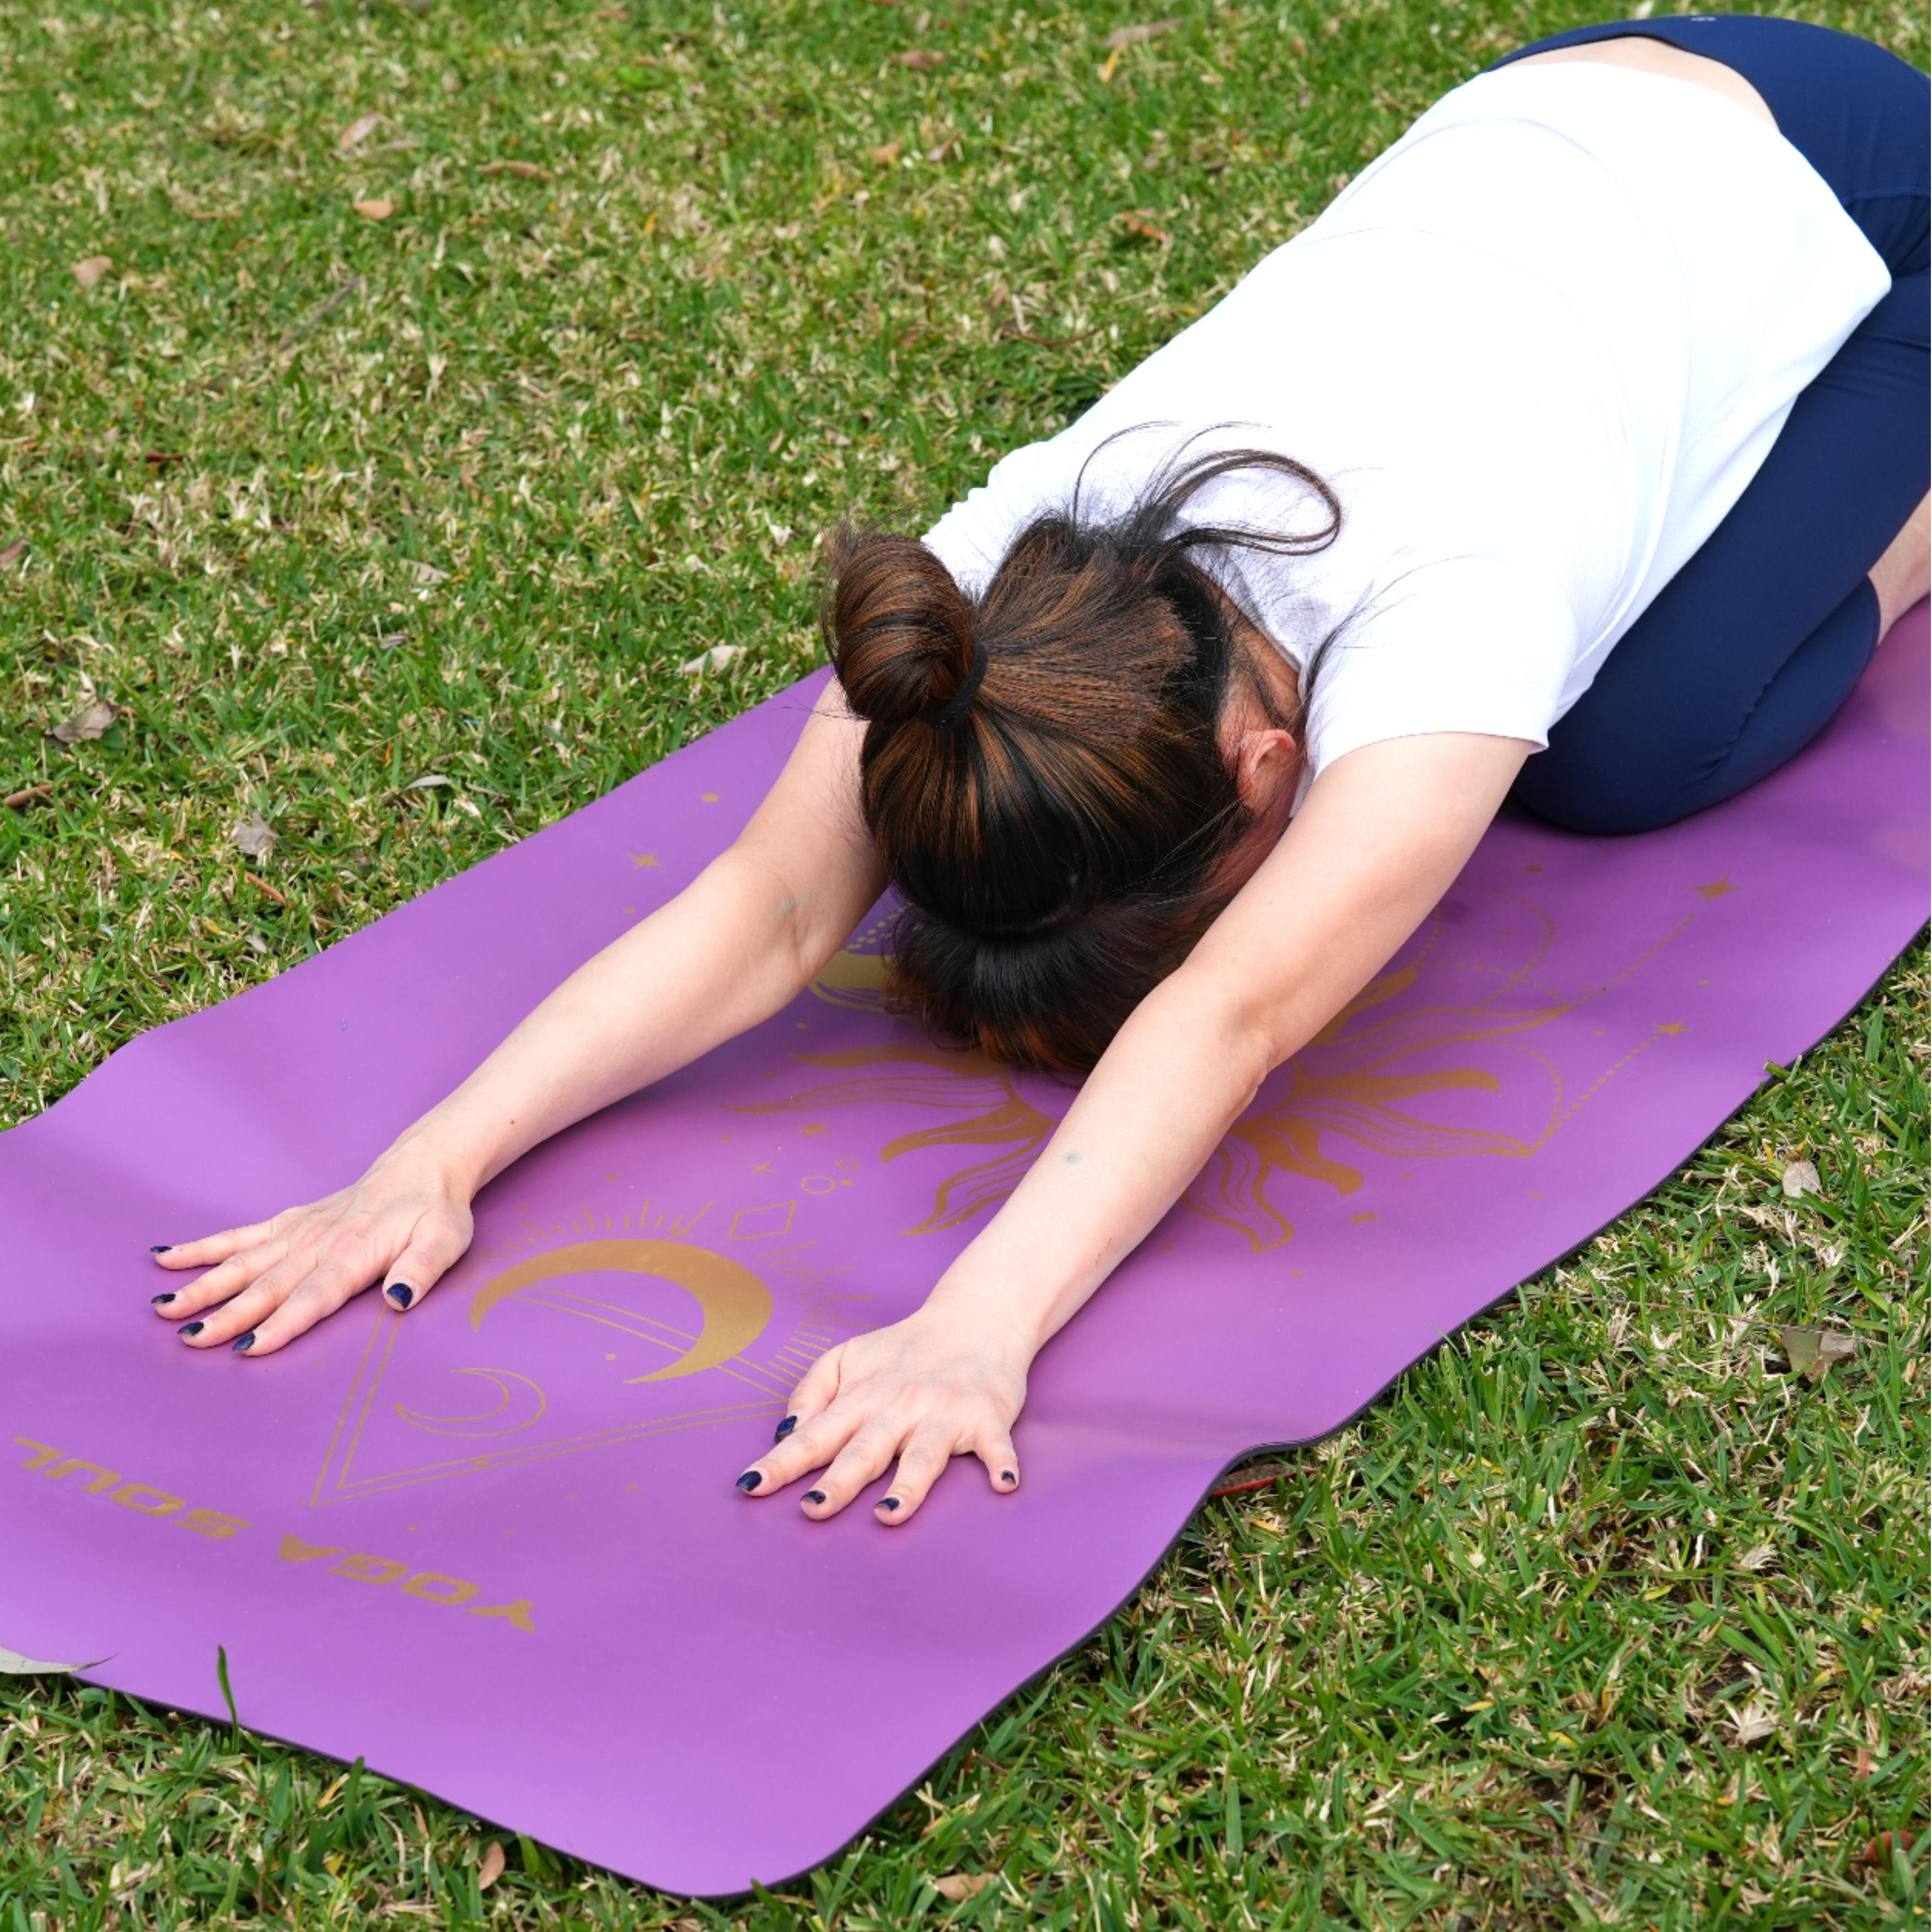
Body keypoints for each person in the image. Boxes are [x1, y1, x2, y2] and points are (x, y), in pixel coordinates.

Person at [149, 17, 1929, 1524]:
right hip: (1570, 121)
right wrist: (431, 1163)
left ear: (1268, 766)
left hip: (1861, 188)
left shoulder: (1457, 610)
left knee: (1631, 747)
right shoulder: (999, 581)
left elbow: (1230, 1014)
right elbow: (770, 907)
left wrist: (974, 1326)